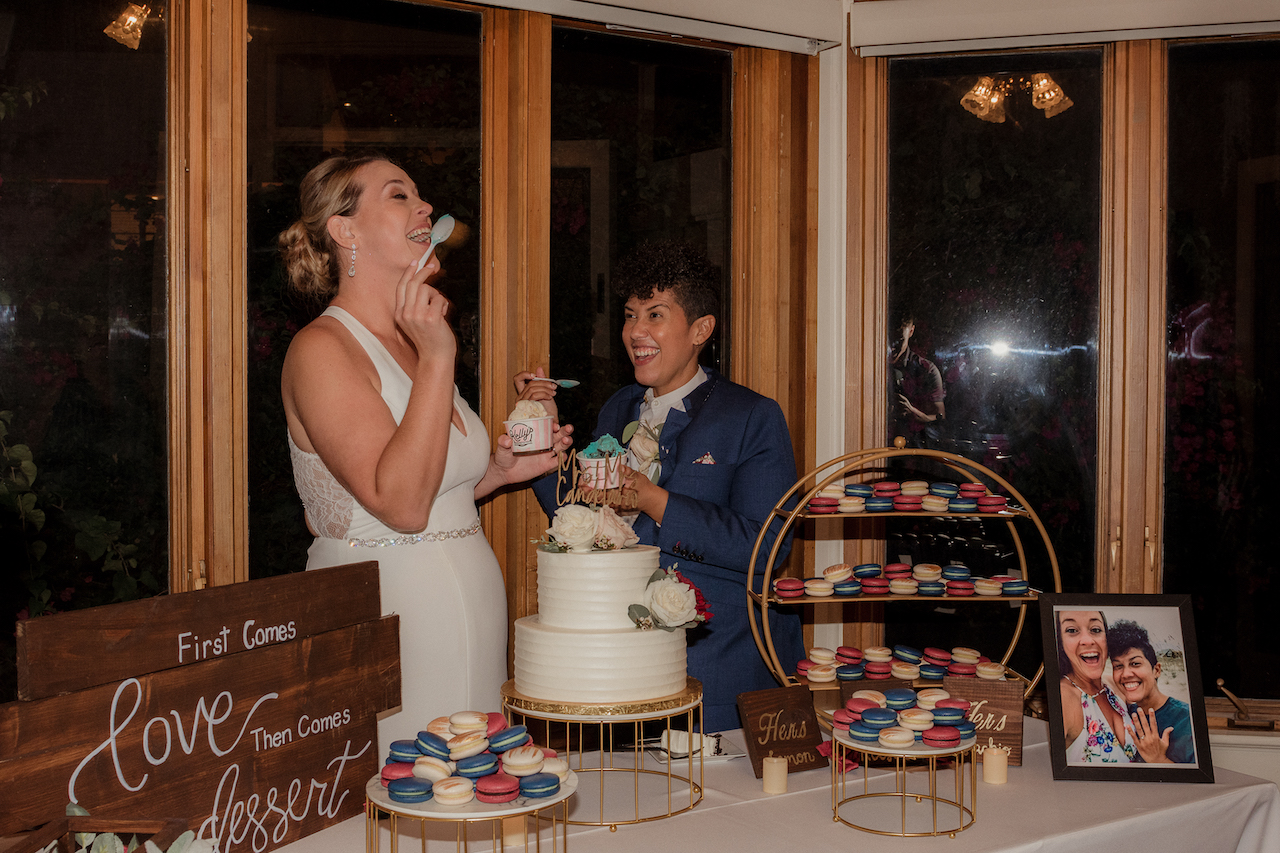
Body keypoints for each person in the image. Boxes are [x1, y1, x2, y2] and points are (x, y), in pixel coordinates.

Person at [278, 152, 572, 757]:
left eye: (419, 195)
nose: (425, 207)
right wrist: (440, 354)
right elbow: (403, 505)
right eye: (398, 195)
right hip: (391, 618)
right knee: (406, 797)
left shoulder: (410, 343)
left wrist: (498, 471)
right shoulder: (321, 350)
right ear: (345, 229)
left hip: (472, 611)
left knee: (474, 801)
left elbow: (436, 486)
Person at [522, 241, 804, 731]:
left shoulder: (751, 416)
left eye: (655, 315)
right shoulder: (618, 408)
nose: (636, 332)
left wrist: (653, 500)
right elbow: (592, 524)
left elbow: (768, 548)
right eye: (630, 316)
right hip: (623, 670)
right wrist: (548, 449)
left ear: (701, 329)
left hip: (720, 675)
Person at [1107, 619, 1196, 764]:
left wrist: (1158, 759)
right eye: (1118, 666)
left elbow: (1195, 784)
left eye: (1135, 663)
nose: (1126, 674)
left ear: (1156, 670)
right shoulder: (1124, 713)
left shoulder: (1186, 720)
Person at [1056, 609, 1137, 763]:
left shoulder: (1114, 685)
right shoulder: (1063, 696)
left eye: (1095, 630)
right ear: (1060, 643)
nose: (1088, 640)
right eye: (1072, 630)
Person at [890, 314, 945, 447]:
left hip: (915, 450)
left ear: (911, 331)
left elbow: (940, 416)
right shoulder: (871, 366)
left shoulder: (927, 370)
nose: (892, 347)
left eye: (899, 341)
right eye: (890, 340)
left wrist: (911, 411)